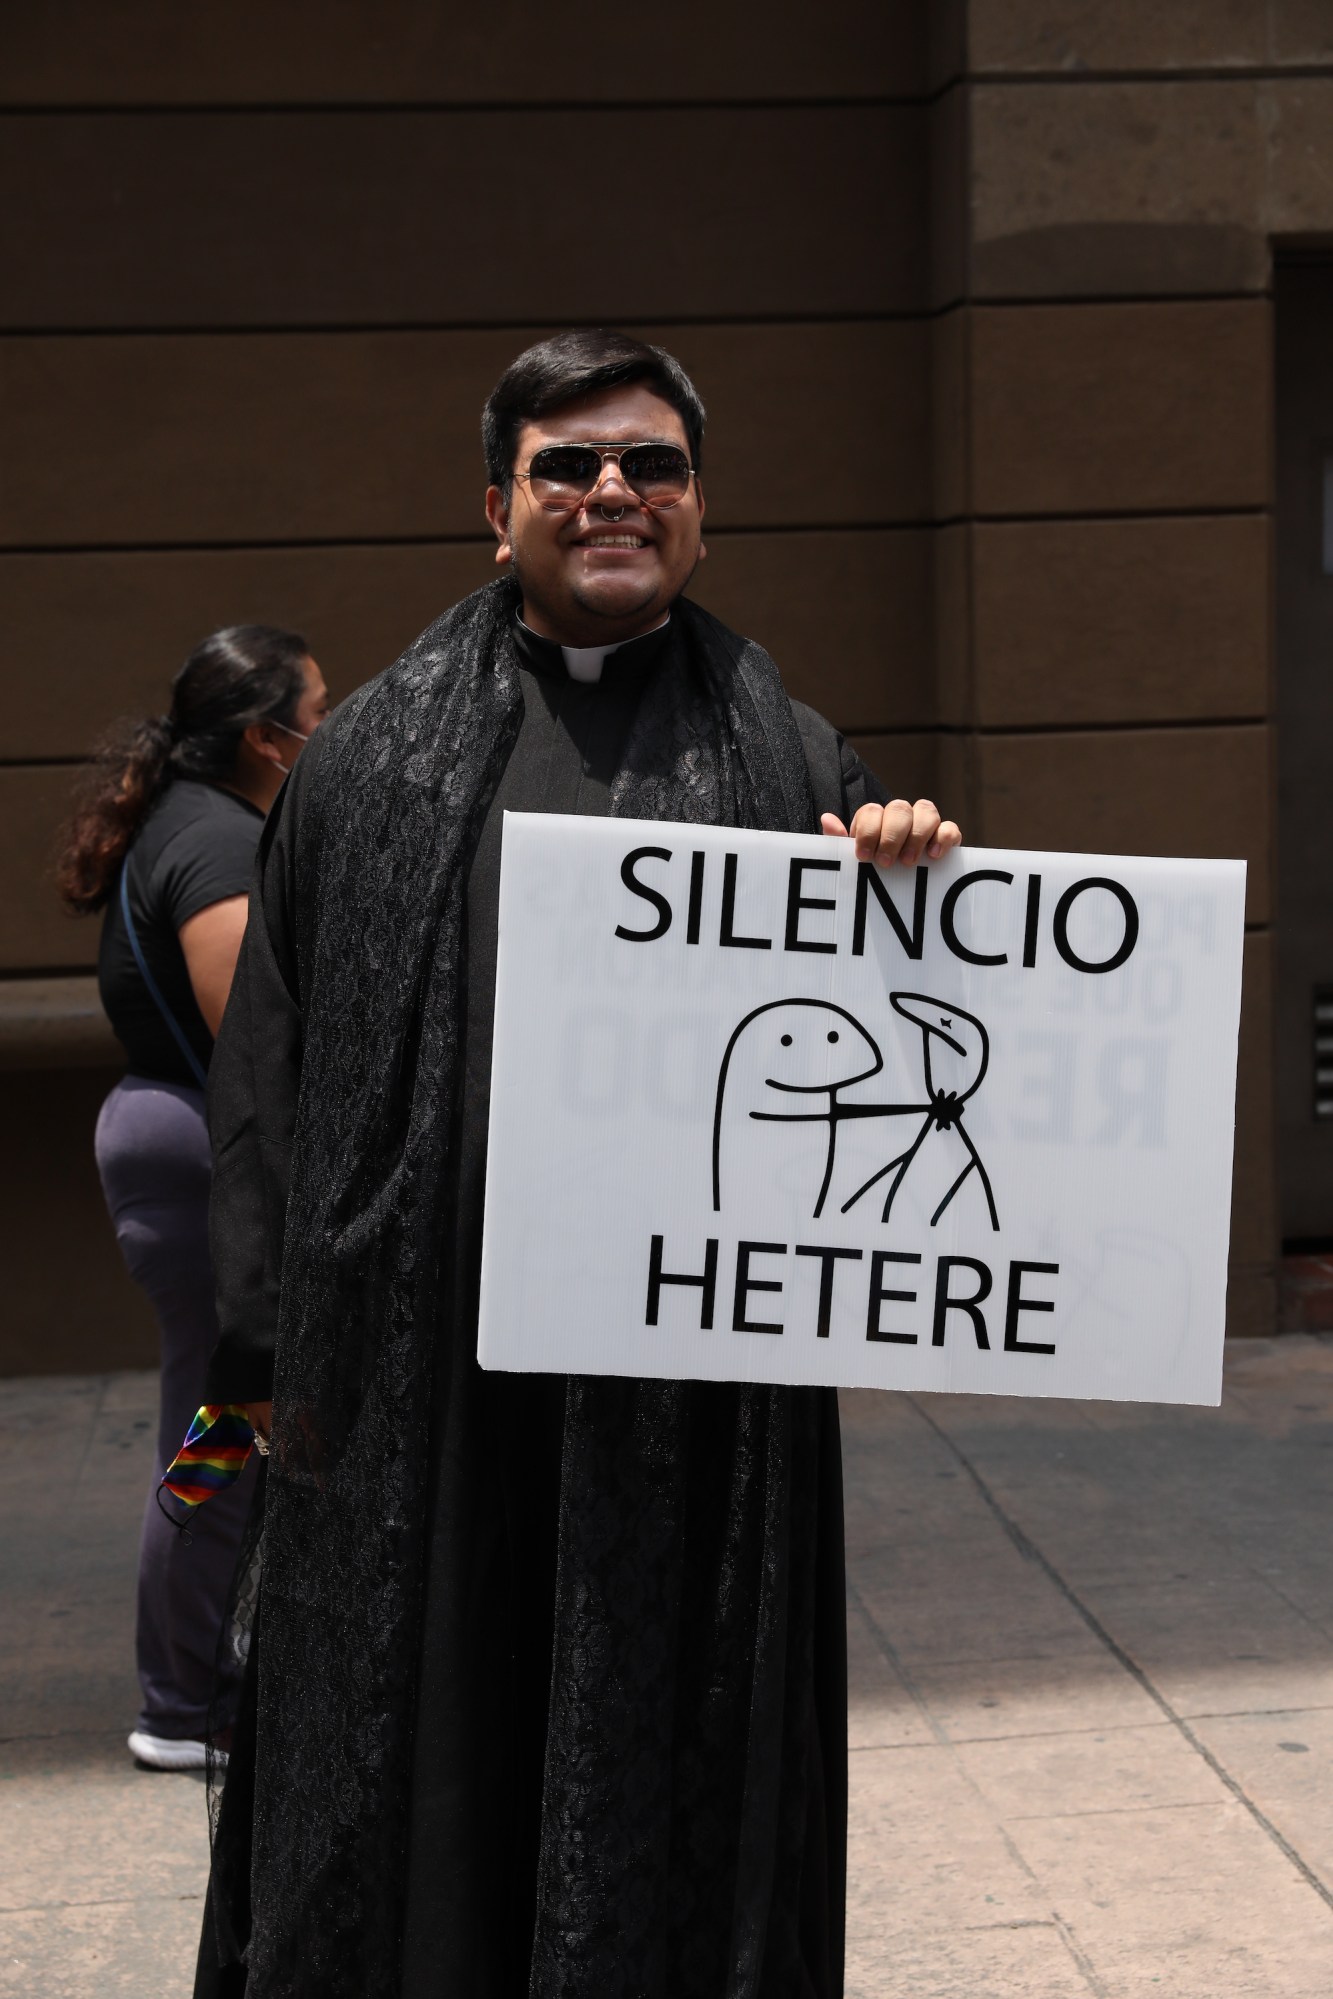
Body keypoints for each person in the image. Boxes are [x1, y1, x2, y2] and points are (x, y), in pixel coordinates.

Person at [195, 330, 961, 1999]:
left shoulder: (796, 761)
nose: (613, 489)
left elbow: (913, 1029)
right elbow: (266, 1075)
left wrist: (901, 854)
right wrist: (266, 1365)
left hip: (686, 1406)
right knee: (419, 1756)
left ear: (697, 513)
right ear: (498, 506)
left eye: (654, 464)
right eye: (568, 463)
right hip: (427, 1404)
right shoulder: (364, 764)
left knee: (661, 1746)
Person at [56, 626, 329, 1770]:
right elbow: (255, 1047)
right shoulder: (217, 847)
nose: (333, 726)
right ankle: (183, 1702)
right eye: (319, 711)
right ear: (267, 740)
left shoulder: (183, 821)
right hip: (201, 1155)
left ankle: (201, 1678)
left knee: (220, 1423)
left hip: (169, 1142)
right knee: (218, 1427)